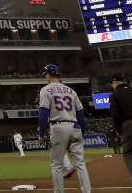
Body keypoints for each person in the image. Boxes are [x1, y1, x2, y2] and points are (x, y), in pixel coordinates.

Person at [37, 64, 91, 193]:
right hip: (75, 126)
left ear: (49, 75)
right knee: (81, 164)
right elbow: (81, 113)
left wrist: (42, 133)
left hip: (58, 126)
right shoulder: (71, 90)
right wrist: (82, 131)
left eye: (45, 74)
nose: (45, 76)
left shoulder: (46, 89)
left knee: (57, 165)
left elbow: (43, 112)